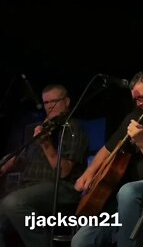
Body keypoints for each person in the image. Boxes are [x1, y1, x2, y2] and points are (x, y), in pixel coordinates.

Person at [72, 70, 143, 247]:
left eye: (142, 97)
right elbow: (108, 149)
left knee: (128, 191)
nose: (139, 103)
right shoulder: (133, 117)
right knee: (81, 240)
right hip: (125, 193)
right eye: (135, 99)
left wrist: (142, 142)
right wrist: (89, 172)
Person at [0, 84, 89, 247]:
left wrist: (46, 145)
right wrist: (6, 165)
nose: (49, 106)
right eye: (46, 102)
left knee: (14, 203)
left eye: (54, 101)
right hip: (32, 186)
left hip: (63, 188)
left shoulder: (72, 128)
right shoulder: (39, 128)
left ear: (67, 101)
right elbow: (21, 158)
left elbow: (64, 172)